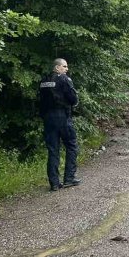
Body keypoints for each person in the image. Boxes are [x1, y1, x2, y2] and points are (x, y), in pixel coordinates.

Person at [38, 58, 81, 191]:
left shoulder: (43, 81)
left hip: (48, 119)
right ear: (57, 68)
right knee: (72, 145)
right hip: (62, 117)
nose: (66, 69)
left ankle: (54, 184)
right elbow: (73, 99)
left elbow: (39, 100)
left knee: (53, 150)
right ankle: (69, 178)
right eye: (64, 66)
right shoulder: (64, 79)